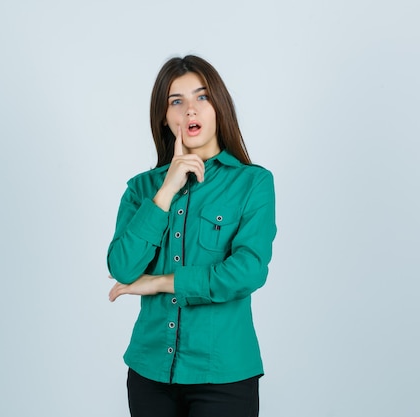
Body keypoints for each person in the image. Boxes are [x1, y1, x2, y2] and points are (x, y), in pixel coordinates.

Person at [107, 55, 277, 417]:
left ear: (219, 106)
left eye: (202, 97)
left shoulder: (253, 183)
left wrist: (162, 282)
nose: (190, 111)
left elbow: (248, 271)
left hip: (224, 376)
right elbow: (122, 267)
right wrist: (167, 189)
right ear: (164, 117)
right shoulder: (142, 189)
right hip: (149, 372)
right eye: (176, 101)